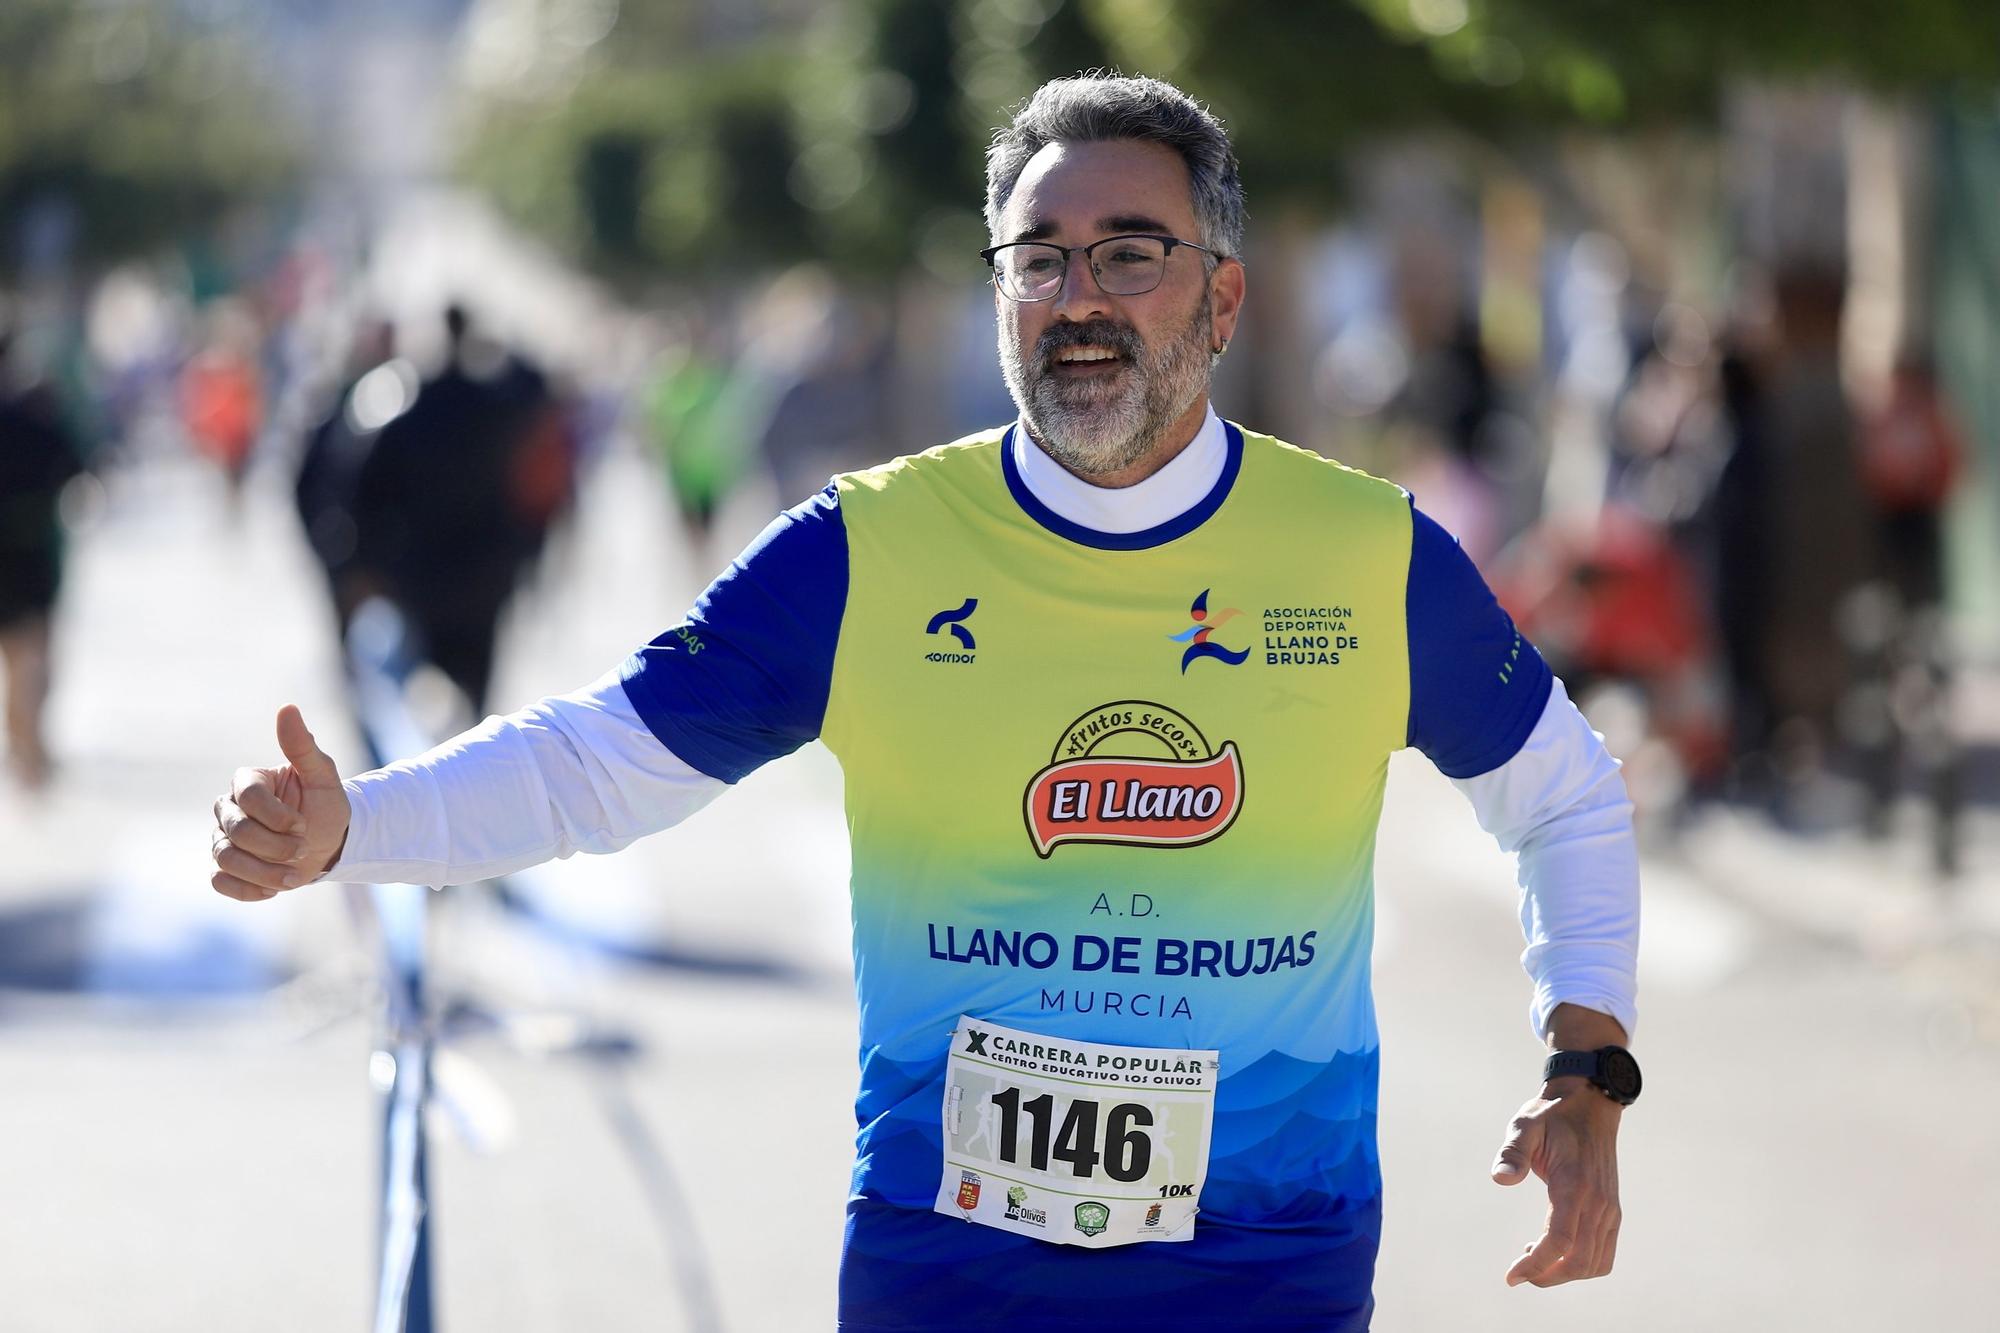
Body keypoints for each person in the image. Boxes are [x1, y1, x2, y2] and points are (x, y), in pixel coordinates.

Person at [210, 75, 1640, 1331]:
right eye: (1039, 259)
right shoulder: (866, 548)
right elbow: (604, 758)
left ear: (1221, 294)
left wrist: (1587, 1062)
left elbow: (1566, 796)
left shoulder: (1366, 553)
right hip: (948, 1268)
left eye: (1130, 254)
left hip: (1265, 1263)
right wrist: (355, 828)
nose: (1079, 297)